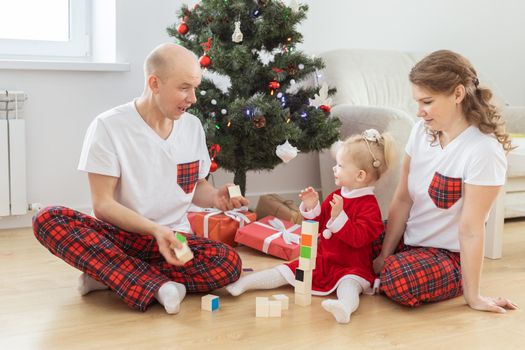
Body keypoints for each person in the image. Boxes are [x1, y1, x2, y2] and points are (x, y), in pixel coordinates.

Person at [33, 43, 248, 314]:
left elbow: (195, 186)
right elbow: (103, 205)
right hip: (119, 236)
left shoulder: (192, 127)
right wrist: (155, 230)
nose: (193, 98)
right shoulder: (108, 126)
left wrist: (217, 197)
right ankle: (158, 286)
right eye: (184, 88)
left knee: (228, 263)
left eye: (195, 88)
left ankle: (111, 275)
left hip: (176, 239)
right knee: (47, 218)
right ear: (154, 83)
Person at [372, 50, 519, 313]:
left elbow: (472, 229)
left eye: (426, 102)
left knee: (398, 278)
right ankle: (375, 271)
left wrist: (473, 297)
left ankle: (368, 276)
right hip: (411, 239)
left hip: (447, 256)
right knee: (346, 235)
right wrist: (384, 253)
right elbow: (403, 197)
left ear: (458, 94)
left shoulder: (483, 150)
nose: (419, 112)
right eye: (417, 103)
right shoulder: (421, 132)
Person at [226, 130, 396, 323]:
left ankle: (345, 307)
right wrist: (311, 206)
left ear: (360, 175)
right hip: (323, 260)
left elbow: (359, 238)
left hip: (351, 266)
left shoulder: (369, 206)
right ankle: (246, 283)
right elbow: (317, 224)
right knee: (287, 270)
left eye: (340, 166)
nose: (334, 169)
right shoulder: (335, 195)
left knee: (349, 285)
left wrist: (340, 217)